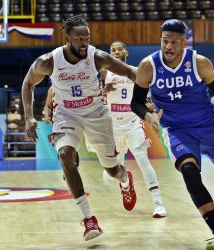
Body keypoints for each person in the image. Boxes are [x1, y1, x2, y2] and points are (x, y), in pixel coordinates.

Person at [130, 19, 214, 250]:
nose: (168, 46)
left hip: (209, 126)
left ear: (184, 43)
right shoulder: (148, 66)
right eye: (164, 41)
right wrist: (149, 117)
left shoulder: (199, 63)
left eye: (174, 42)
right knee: (189, 172)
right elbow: (136, 102)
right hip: (177, 130)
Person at [22, 15, 137, 241]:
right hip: (66, 114)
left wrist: (150, 92)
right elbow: (28, 83)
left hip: (96, 114)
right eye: (79, 38)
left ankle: (125, 180)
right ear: (68, 38)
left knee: (112, 170)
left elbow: (130, 72)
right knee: (65, 155)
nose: (84, 42)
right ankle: (88, 219)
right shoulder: (49, 61)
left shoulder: (97, 57)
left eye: (87, 37)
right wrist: (28, 117)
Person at [101, 41, 167, 218]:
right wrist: (103, 90)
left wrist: (153, 111)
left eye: (119, 49)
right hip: (112, 127)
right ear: (110, 54)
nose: (116, 52)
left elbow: (149, 94)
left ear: (126, 52)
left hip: (132, 124)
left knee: (143, 161)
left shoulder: (136, 71)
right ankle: (125, 184)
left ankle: (158, 204)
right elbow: (94, 94)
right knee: (108, 176)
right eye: (113, 50)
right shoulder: (104, 71)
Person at [43, 85, 80, 173]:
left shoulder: (73, 84)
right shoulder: (52, 89)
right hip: (59, 121)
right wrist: (46, 115)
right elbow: (47, 105)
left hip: (75, 119)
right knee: (62, 148)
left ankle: (73, 167)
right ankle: (67, 167)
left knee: (73, 147)